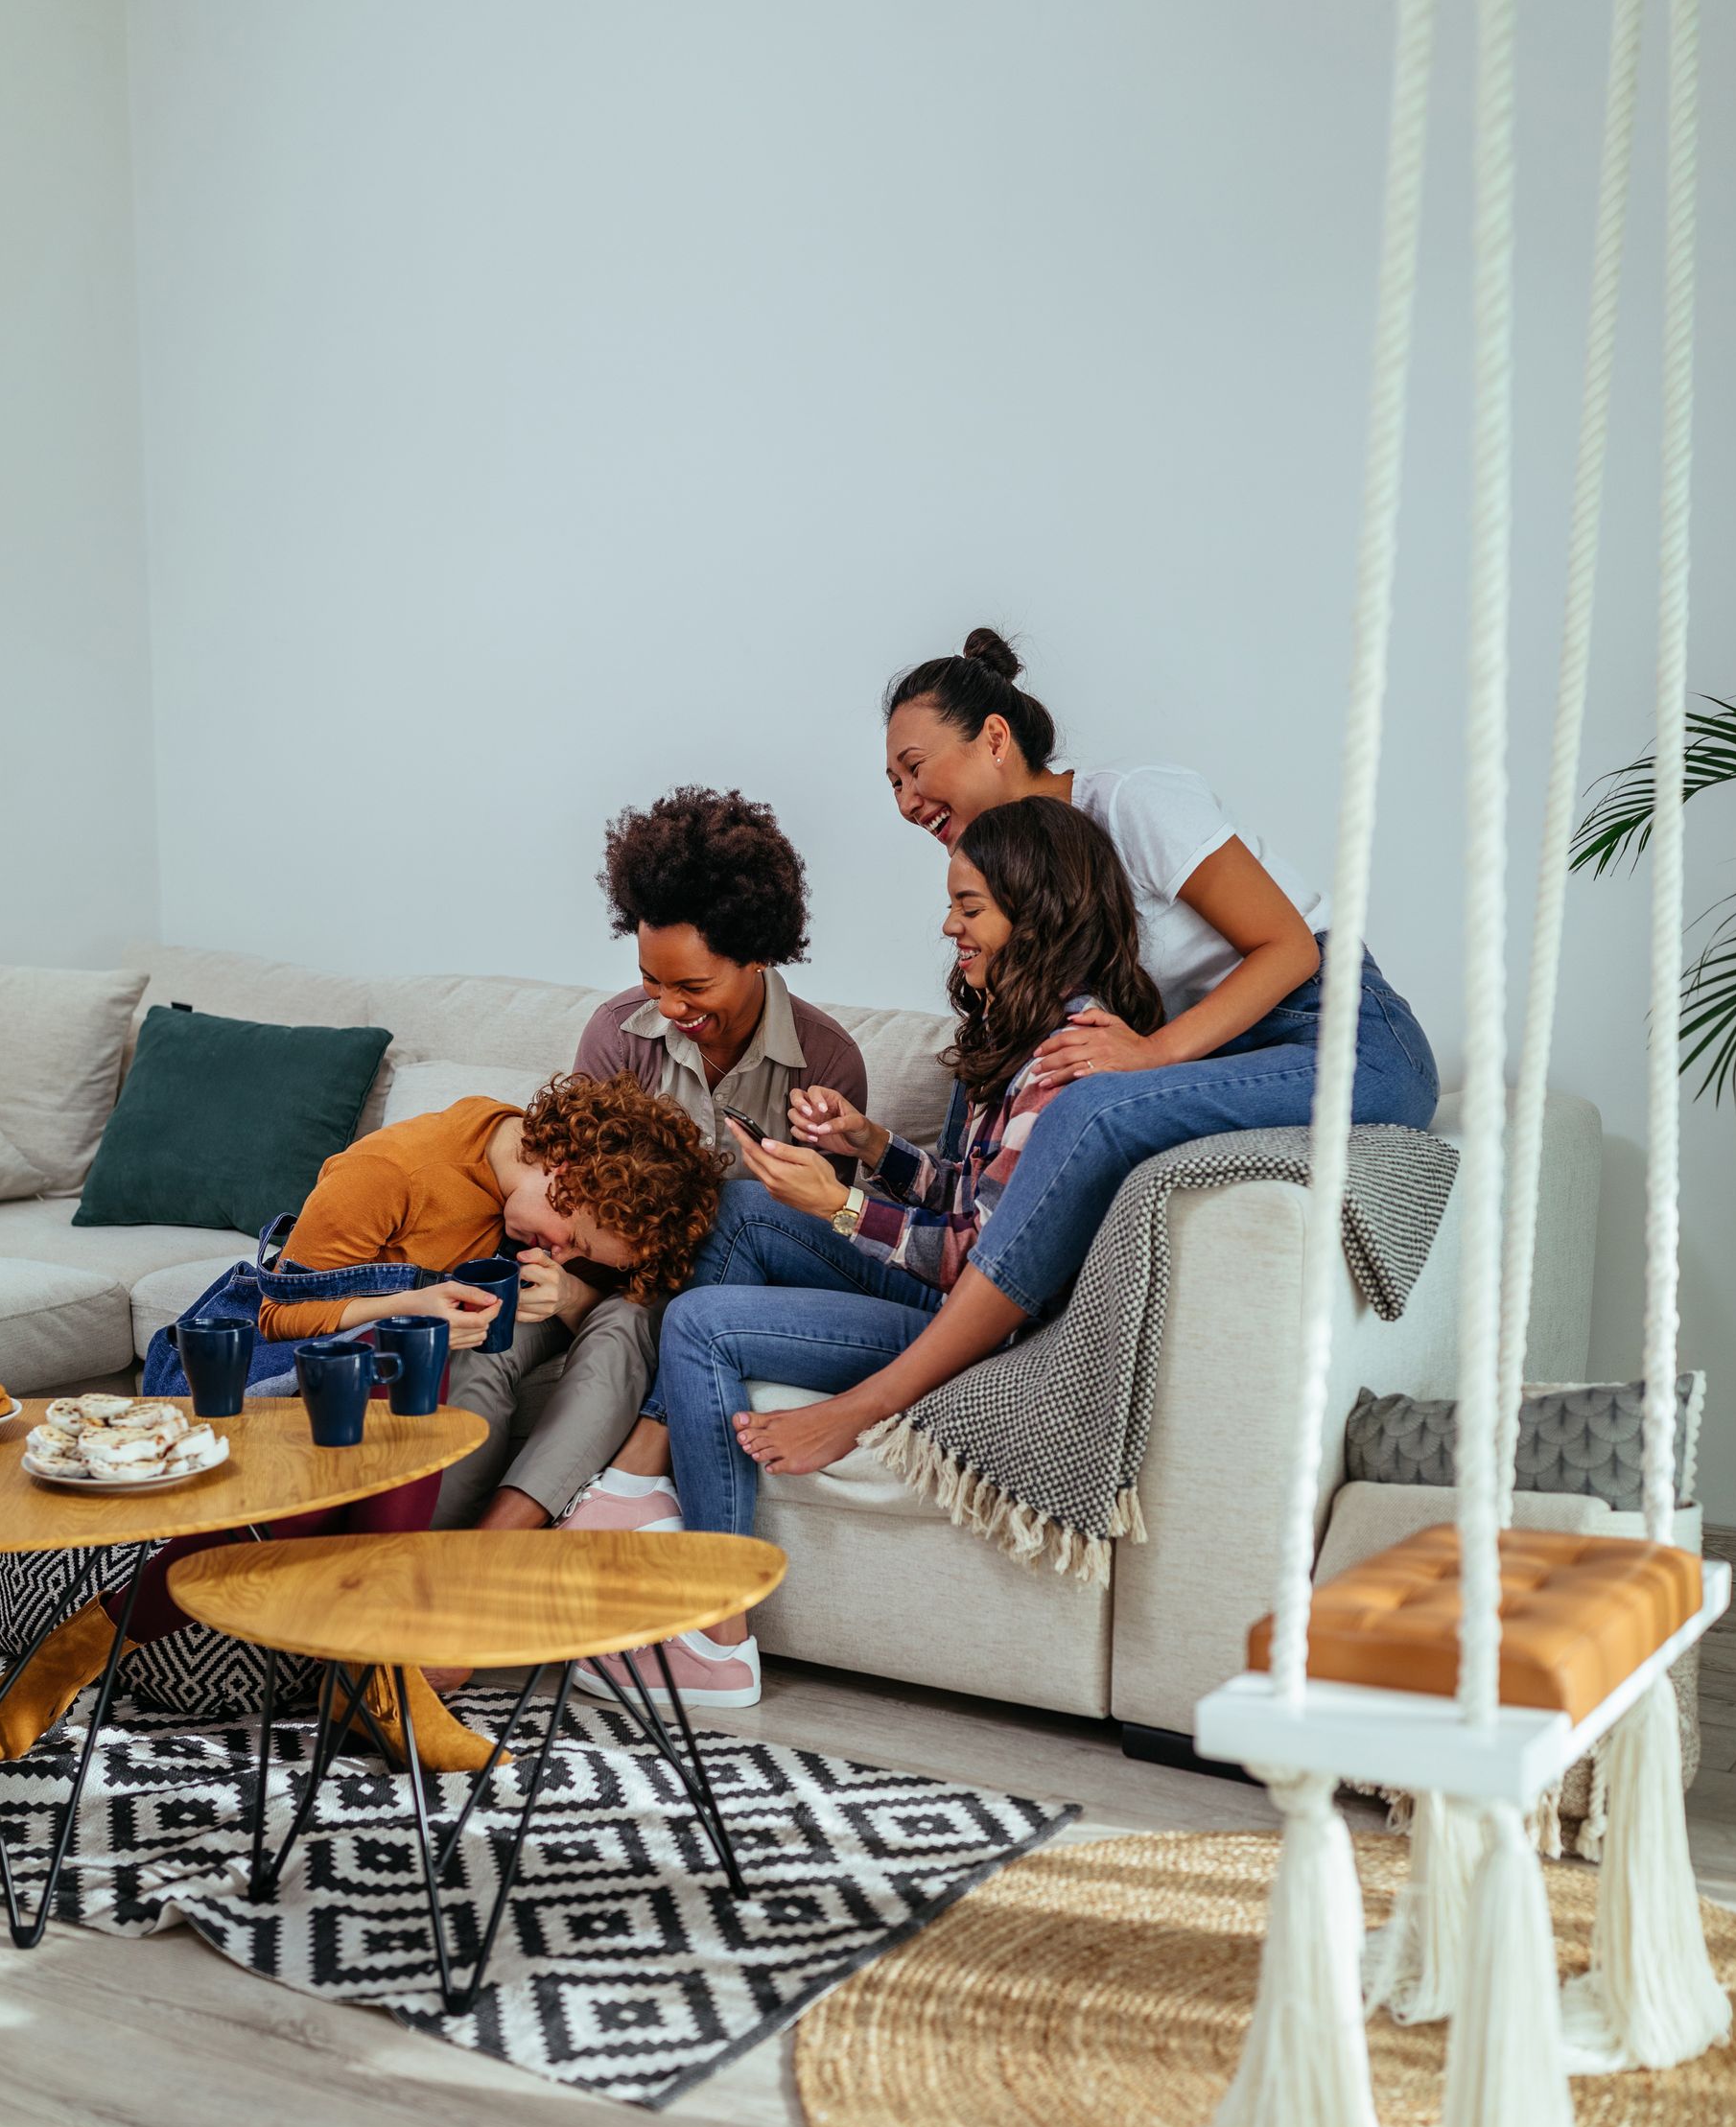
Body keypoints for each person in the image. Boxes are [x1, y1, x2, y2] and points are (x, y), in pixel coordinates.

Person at [727, 625, 1439, 1478]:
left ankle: (879, 1398)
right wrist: (874, 1148)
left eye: (914, 769)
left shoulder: (1132, 802)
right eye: (893, 784)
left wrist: (1155, 1053)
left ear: (995, 738)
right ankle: (928, 1298)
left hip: (1347, 1036)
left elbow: (1290, 949)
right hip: (1231, 1049)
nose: (906, 801)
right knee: (993, 1052)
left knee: (1093, 1105)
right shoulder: (1035, 864)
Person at [0, 1073, 726, 1774]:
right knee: (393, 1383)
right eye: (572, 1238)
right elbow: (274, 1316)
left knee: (408, 1390)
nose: (557, 1251)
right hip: (267, 1378)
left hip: (375, 1400)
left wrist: (568, 1291)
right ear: (570, 1167)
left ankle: (92, 1658)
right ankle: (368, 1680)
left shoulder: (515, 1175)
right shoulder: (393, 1172)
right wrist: (412, 1305)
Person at [576, 795, 1161, 1712]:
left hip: (977, 1327)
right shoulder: (1018, 1028)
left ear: (1039, 913)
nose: (949, 925)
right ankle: (638, 1484)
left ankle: (715, 1634)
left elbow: (985, 1262)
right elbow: (971, 1193)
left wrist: (843, 1204)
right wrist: (874, 1146)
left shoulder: (1066, 1058)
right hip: (946, 1289)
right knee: (740, 1206)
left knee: (700, 1326)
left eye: (968, 907)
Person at [445, 785, 870, 1540]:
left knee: (622, 1330)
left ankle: (489, 1550)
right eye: (652, 979)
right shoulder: (617, 1034)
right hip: (578, 1262)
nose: (669, 1005)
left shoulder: (827, 1063)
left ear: (758, 955)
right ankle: (419, 1547)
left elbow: (805, 1251)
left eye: (693, 986)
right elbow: (567, 1196)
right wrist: (563, 1288)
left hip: (683, 1296)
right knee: (490, 1337)